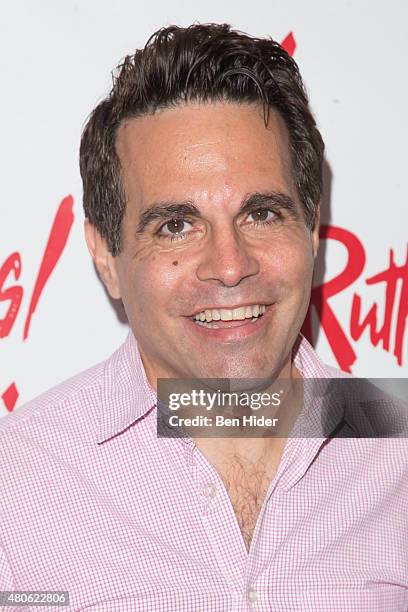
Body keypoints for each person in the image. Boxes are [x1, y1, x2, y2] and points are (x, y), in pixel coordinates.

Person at [0, 23, 407, 612]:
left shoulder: (395, 456)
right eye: (175, 225)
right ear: (105, 257)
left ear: (312, 229)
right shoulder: (18, 484)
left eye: (262, 213)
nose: (230, 265)